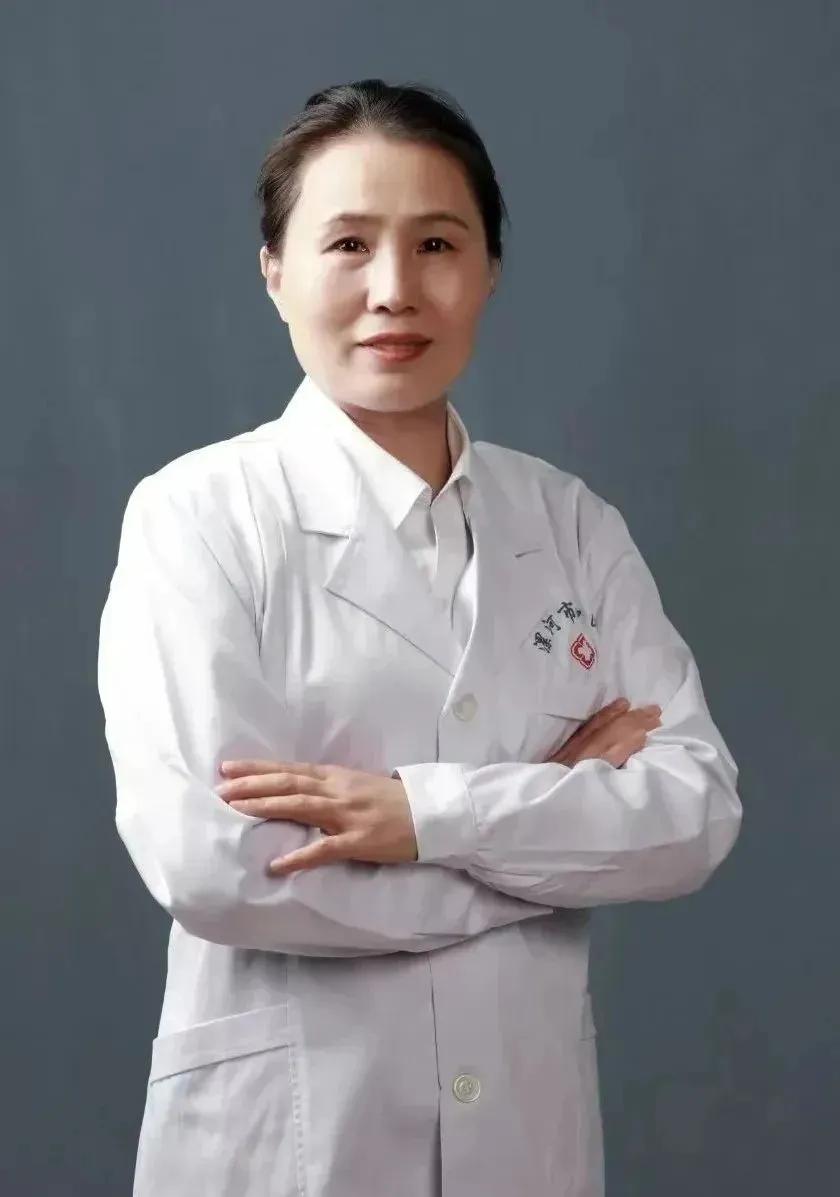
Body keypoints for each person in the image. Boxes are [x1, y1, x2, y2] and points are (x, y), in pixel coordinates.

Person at [97, 77, 743, 1197]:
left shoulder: (570, 524)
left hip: (527, 1142)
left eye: (437, 243)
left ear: (488, 269)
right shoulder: (197, 516)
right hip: (290, 1147)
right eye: (348, 243)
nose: (394, 289)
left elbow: (692, 811)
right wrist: (545, 833)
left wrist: (419, 819)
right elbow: (217, 863)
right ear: (275, 271)